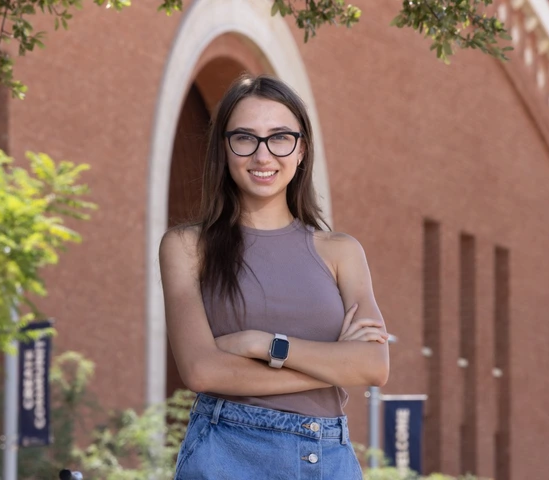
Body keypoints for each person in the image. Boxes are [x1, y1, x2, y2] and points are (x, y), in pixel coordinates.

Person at [159, 74, 390, 480]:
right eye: (245, 138)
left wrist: (262, 344)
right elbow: (202, 372)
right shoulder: (186, 247)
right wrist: (333, 366)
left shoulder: (340, 251)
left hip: (327, 457)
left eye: (280, 137)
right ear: (224, 151)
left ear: (301, 150)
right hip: (225, 451)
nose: (263, 156)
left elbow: (373, 365)